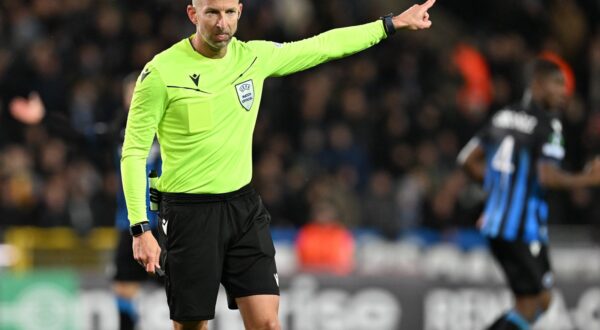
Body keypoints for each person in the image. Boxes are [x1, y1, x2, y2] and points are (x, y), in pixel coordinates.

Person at [121, 0, 436, 329]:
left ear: (240, 12)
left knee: (268, 324)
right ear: (193, 14)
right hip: (189, 213)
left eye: (229, 13)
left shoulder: (253, 57)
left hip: (242, 208)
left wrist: (389, 24)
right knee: (192, 327)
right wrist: (140, 228)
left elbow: (323, 46)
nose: (222, 22)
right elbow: (133, 152)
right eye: (212, 12)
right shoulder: (160, 73)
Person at [458, 58, 600, 330]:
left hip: (495, 223)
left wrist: (501, 185)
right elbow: (547, 175)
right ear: (537, 84)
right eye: (557, 84)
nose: (564, 92)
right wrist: (589, 178)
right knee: (536, 302)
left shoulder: (503, 115)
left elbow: (467, 160)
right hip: (523, 228)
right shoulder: (548, 125)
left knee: (536, 301)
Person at [111, 73, 162, 330]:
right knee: (123, 288)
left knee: (180, 291)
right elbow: (82, 137)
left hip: (165, 221)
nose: (133, 98)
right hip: (129, 223)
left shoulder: (166, 124)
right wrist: (43, 119)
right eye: (129, 92)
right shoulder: (117, 131)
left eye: (138, 91)